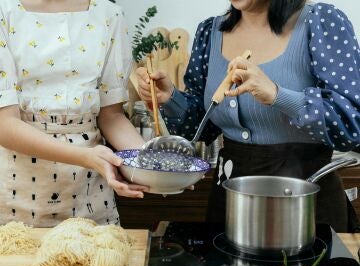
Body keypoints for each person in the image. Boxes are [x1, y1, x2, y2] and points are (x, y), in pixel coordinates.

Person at [136, 0, 360, 232]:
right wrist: (170, 98)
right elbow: (200, 130)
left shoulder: (320, 21)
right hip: (229, 204)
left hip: (305, 206)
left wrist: (276, 94)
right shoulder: (210, 32)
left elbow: (352, 123)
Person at [0, 0, 149, 227]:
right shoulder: (5, 11)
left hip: (89, 192)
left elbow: (112, 117)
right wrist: (86, 157)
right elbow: (5, 125)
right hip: (17, 192)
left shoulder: (109, 15)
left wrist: (155, 166)